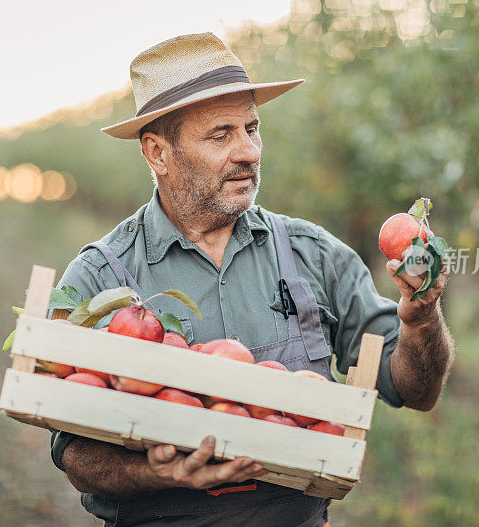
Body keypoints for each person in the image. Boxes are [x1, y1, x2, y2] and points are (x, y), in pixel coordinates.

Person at [48, 32, 455, 526]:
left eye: (252, 128)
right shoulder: (100, 279)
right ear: (158, 153)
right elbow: (74, 453)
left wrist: (422, 318)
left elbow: (416, 390)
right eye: (221, 135)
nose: (249, 151)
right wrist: (158, 472)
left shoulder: (313, 254)